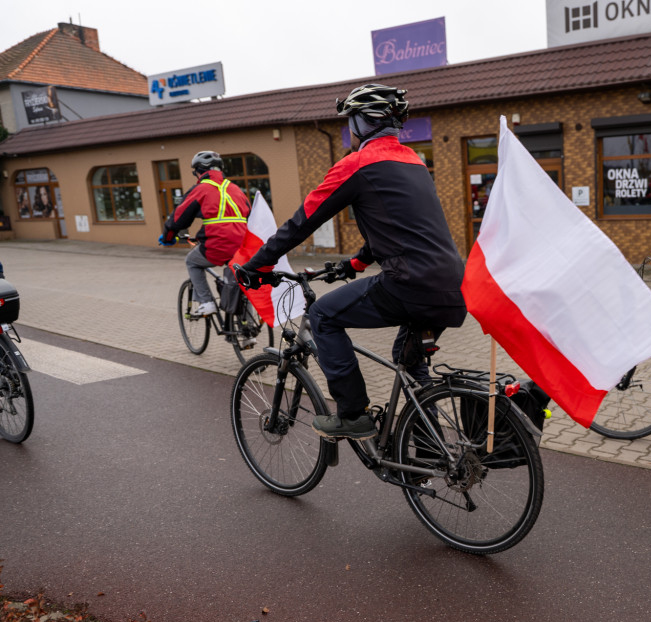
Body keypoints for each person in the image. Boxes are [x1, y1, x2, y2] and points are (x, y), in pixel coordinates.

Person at [236, 84, 466, 441]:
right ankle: (431, 451)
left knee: (322, 315)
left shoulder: (358, 163)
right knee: (411, 363)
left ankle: (353, 414)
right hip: (452, 283)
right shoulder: (414, 162)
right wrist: (356, 264)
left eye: (350, 121)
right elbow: (398, 226)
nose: (349, 129)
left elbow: (303, 222)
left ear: (362, 122)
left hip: (408, 283)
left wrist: (256, 266)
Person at [159, 151, 251, 317]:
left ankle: (207, 302)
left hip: (217, 244)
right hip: (243, 244)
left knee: (192, 261)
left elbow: (179, 218)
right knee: (238, 280)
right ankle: (247, 330)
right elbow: (251, 215)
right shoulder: (236, 189)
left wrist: (168, 237)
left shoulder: (201, 189)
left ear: (199, 171)